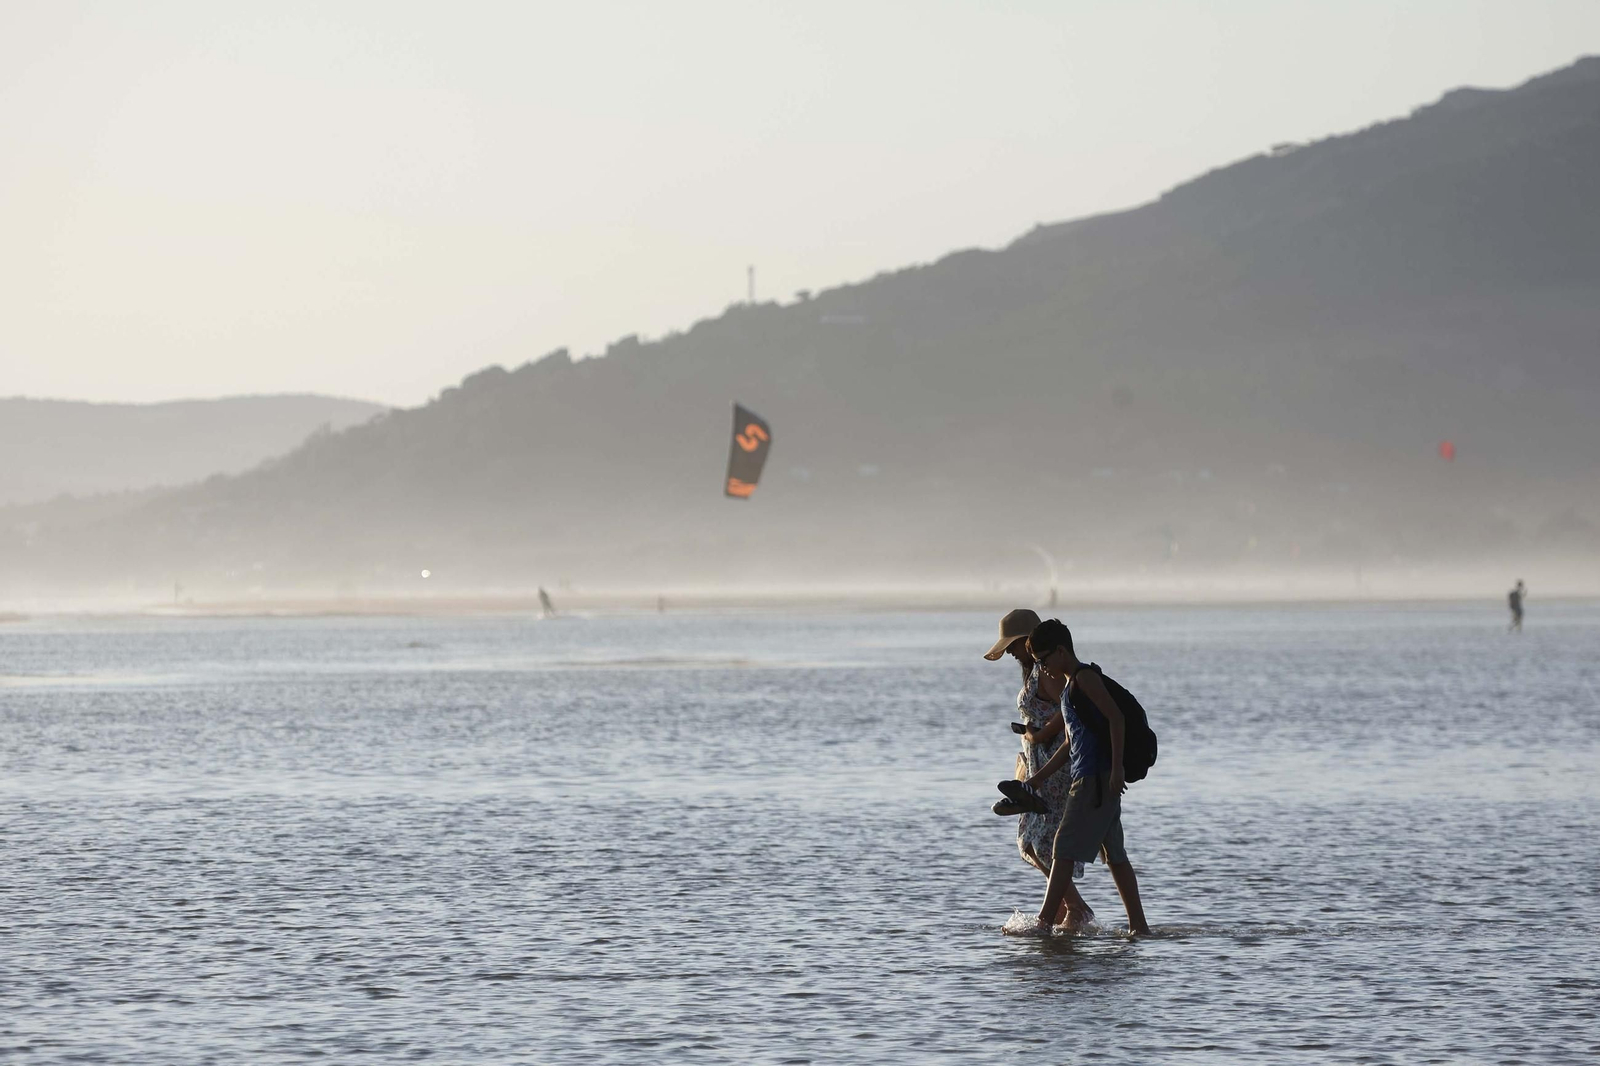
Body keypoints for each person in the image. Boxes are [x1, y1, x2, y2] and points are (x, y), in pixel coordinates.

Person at [1003, 619, 1150, 935]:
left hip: (1094, 779)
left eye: (1043, 660)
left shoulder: (1085, 679)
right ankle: (1139, 927)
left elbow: (1116, 718)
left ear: (1060, 651)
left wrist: (1117, 769)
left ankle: (1043, 923)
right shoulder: (1071, 688)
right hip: (1092, 776)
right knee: (1115, 856)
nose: (1041, 668)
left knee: (1063, 847)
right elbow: (1071, 741)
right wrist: (1038, 778)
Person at [983, 609, 1085, 923]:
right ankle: (1063, 909)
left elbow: (1068, 711)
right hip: (1036, 762)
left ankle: (1076, 909)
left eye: (1013, 645)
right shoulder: (1033, 672)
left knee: (1042, 843)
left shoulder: (1047, 673)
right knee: (1028, 843)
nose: (1011, 652)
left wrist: (1040, 734)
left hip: (1055, 765)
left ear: (1028, 641)